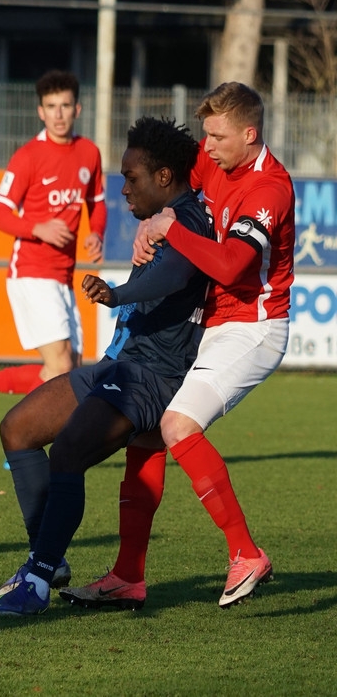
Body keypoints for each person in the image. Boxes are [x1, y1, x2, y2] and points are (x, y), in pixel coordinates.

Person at [62, 82, 294, 610]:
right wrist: (152, 223)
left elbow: (232, 265)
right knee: (146, 436)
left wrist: (168, 228)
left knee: (177, 425)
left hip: (253, 328)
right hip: (212, 323)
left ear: (249, 134)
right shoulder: (213, 162)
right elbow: (168, 197)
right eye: (205, 135)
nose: (206, 147)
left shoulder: (269, 190)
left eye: (217, 137)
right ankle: (127, 576)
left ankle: (246, 553)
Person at [0, 116, 213, 617]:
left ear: (164, 177)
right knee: (17, 429)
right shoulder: (161, 219)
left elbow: (177, 274)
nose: (123, 189)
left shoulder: (191, 219)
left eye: (132, 178)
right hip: (117, 364)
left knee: (69, 451)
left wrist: (117, 293)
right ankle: (49, 558)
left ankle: (36, 579)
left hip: (150, 377)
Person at [0, 70, 106, 432]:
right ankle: (23, 443)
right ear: (40, 111)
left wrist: (96, 233)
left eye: (65, 105)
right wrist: (37, 228)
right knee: (61, 368)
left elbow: (97, 203)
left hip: (63, 276)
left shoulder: (89, 153)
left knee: (71, 373)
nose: (58, 114)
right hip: (31, 271)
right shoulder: (28, 156)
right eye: (51, 106)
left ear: (77, 108)